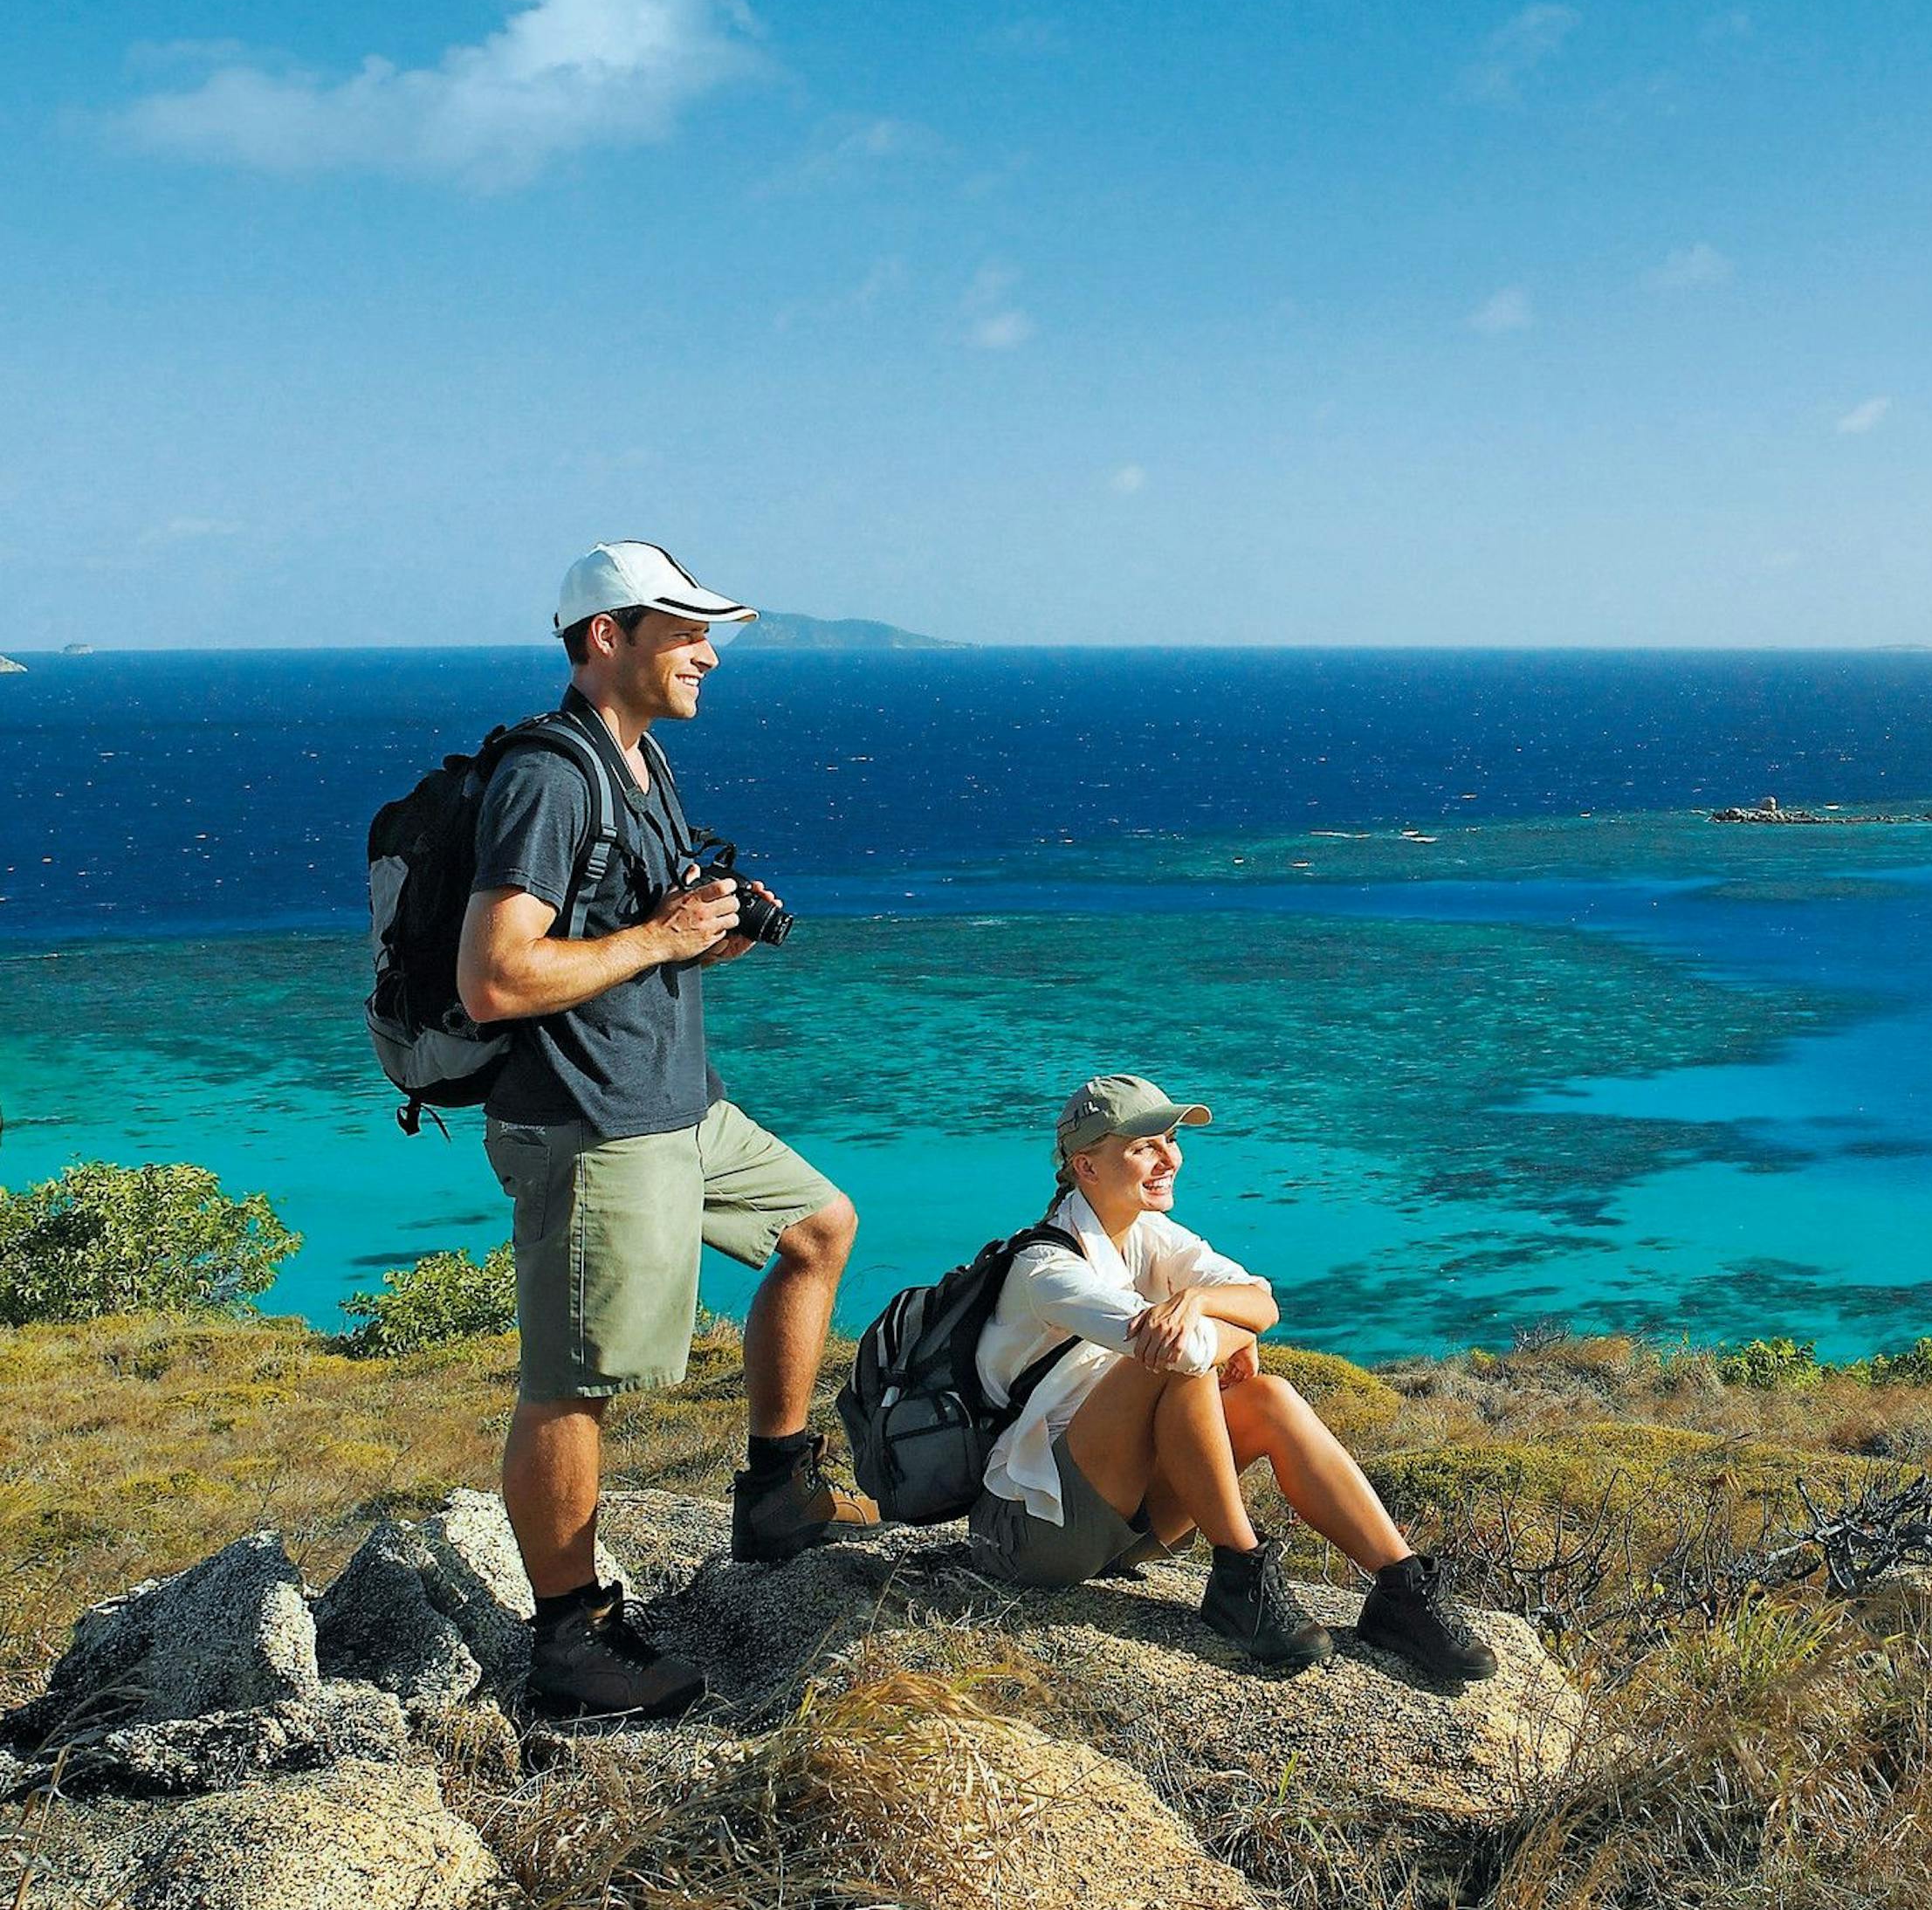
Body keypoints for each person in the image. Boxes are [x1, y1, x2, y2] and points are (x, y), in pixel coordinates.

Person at [457, 539, 875, 1721]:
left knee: (817, 1226)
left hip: (676, 1104)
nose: (710, 657)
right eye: (687, 634)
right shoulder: (551, 775)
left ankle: (778, 1491)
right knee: (574, 1384)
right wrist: (662, 937)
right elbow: (494, 978)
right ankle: (571, 1644)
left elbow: (639, 929)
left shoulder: (640, 767)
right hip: (593, 1124)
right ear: (607, 639)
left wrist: (713, 931)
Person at [968, 1074, 1498, 1682]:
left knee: (1269, 1397)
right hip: (1032, 1530)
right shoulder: (1046, 1267)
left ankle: (1401, 1589)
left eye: (1169, 1139)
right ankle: (1241, 1574)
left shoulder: (1150, 1236)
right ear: (1085, 1166)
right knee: (1174, 1361)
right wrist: (1233, 1332)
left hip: (1123, 1524)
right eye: (1143, 1146)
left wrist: (1198, 1298)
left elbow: (1262, 1300)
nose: (1169, 1157)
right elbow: (1188, 1349)